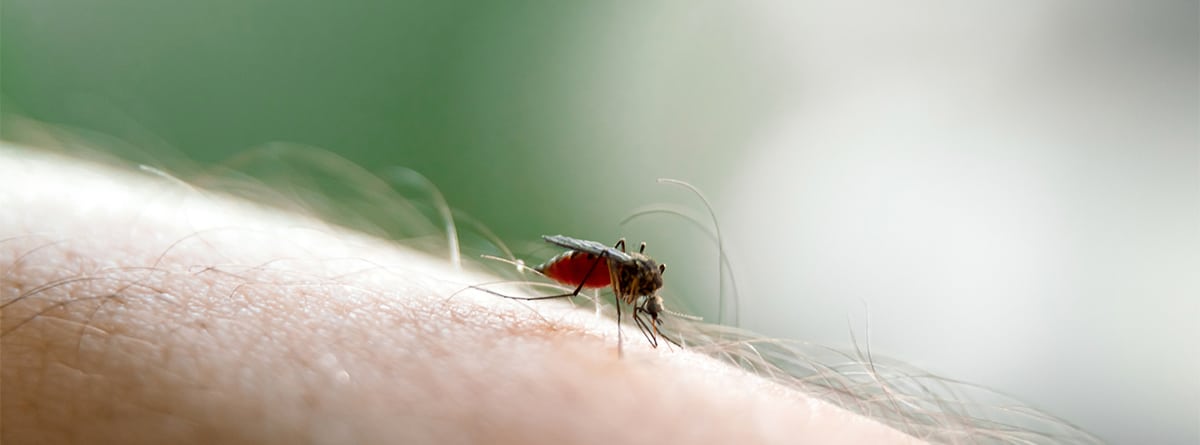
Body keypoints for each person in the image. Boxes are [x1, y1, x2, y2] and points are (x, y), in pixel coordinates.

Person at [1, 144, 926, 444]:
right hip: (576, 268)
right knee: (585, 304)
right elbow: (622, 299)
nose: (640, 291)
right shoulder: (614, 275)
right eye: (638, 284)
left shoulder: (629, 284)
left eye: (633, 283)